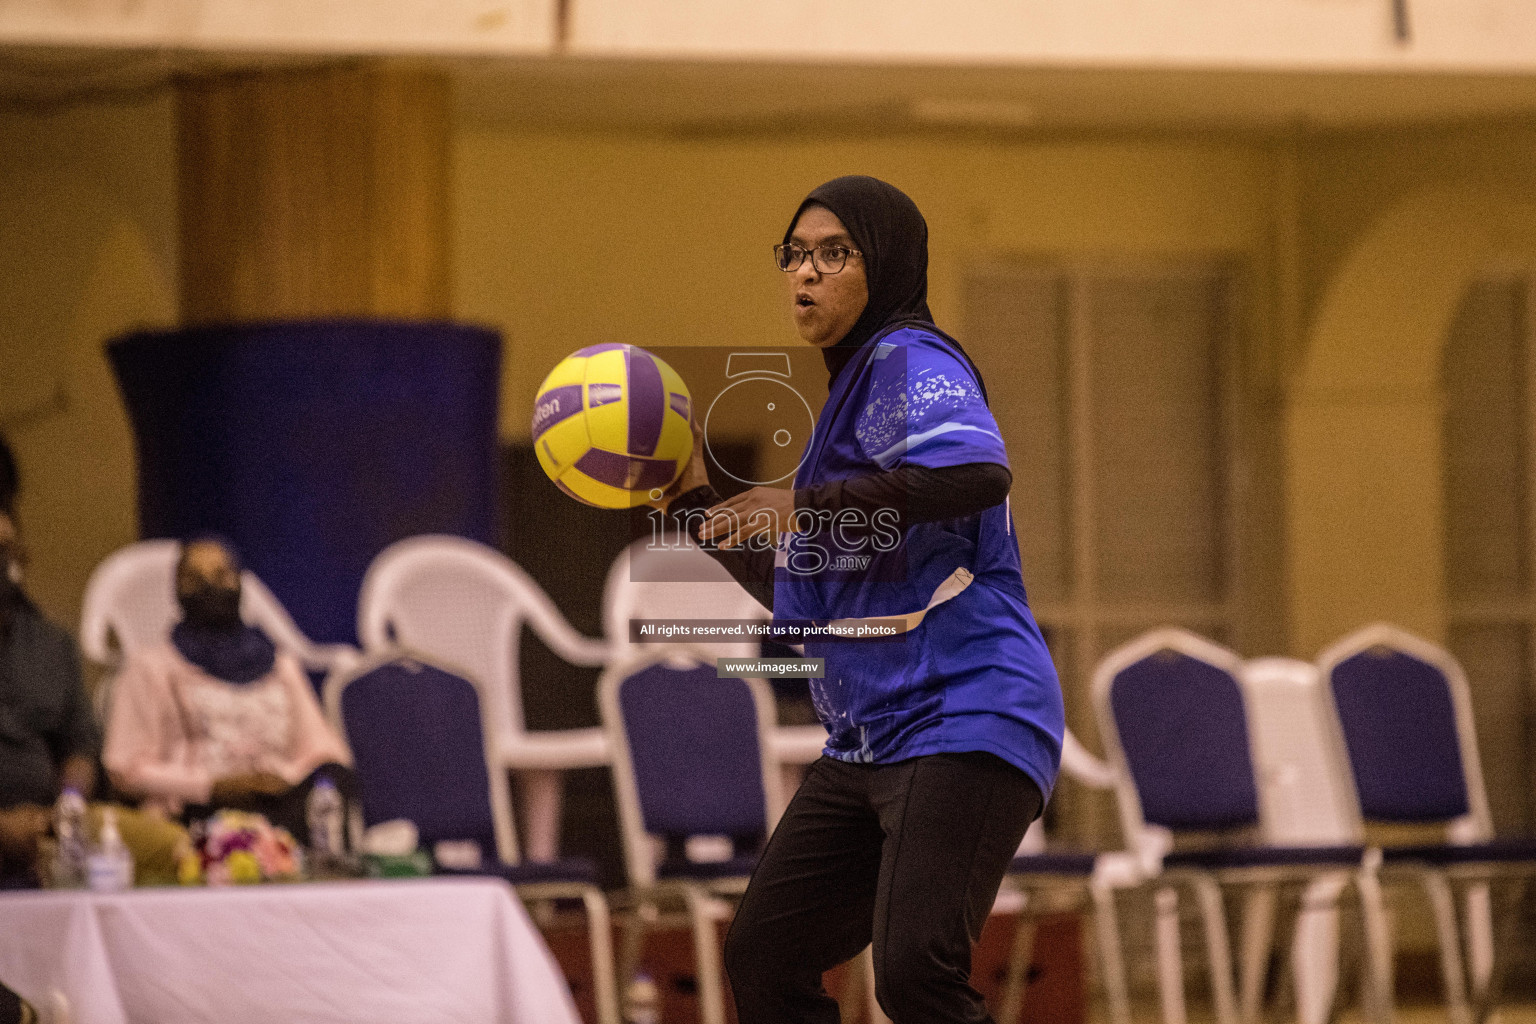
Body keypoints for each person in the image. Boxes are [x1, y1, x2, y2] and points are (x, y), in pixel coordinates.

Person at [655, 176, 1065, 1022]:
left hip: (967, 710)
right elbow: (809, 608)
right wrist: (693, 506)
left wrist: (799, 505)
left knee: (914, 975)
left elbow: (978, 474)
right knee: (766, 954)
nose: (806, 273)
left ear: (883, 263)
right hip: (869, 740)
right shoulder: (847, 415)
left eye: (833, 254)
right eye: (795, 254)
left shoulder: (908, 357)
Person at [104, 537, 353, 844]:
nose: (211, 587)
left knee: (335, 781)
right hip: (197, 811)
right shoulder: (150, 667)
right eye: (195, 580)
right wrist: (214, 785)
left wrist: (277, 780)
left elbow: (325, 751)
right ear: (177, 591)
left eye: (222, 576)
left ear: (239, 583)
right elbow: (124, 769)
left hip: (279, 805)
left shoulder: (279, 664)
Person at [0, 459, 99, 886]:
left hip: (52, 830)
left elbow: (81, 744)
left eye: (5, 553)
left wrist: (68, 805)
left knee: (167, 847)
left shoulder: (51, 644)